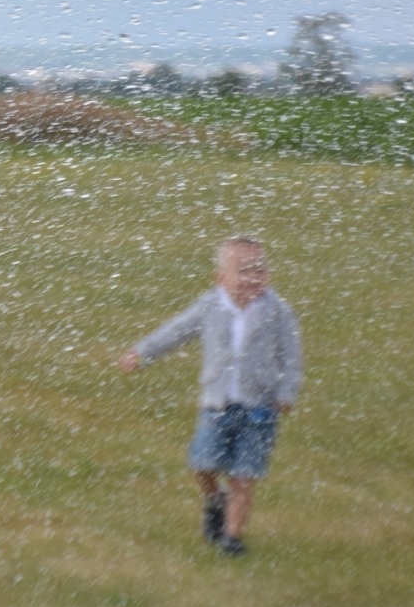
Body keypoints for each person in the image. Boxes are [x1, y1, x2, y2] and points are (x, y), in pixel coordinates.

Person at [119, 237, 302, 555]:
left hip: (259, 409)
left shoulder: (278, 312)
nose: (254, 278)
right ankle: (215, 498)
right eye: (244, 271)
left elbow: (292, 357)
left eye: (260, 270)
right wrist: (144, 352)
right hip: (217, 405)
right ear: (220, 278)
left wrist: (286, 392)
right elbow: (176, 331)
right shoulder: (210, 307)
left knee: (244, 475)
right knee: (202, 463)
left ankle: (232, 539)